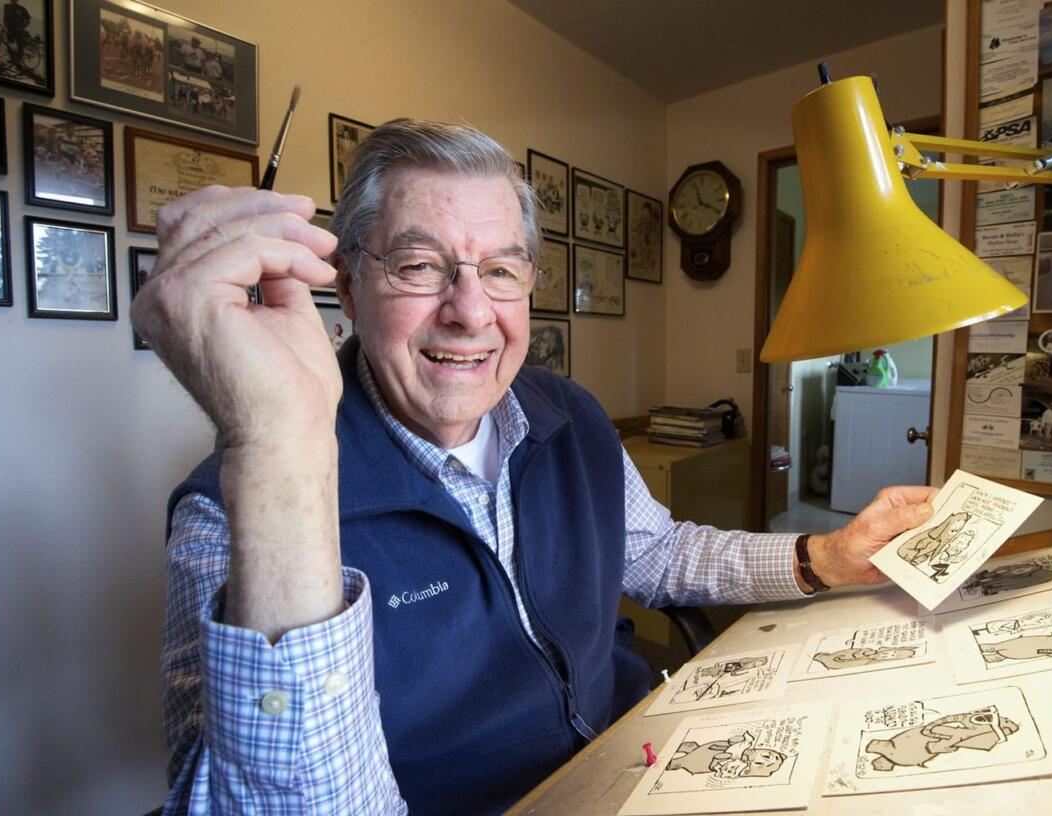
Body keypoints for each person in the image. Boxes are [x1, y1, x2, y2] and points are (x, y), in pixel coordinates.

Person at [131, 118, 938, 815]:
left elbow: (656, 552)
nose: (471, 310)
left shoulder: (570, 413)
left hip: (642, 759)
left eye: (502, 271)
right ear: (346, 281)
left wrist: (821, 557)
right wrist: (281, 448)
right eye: (420, 267)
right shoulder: (236, 518)